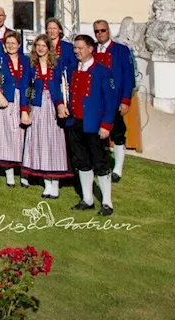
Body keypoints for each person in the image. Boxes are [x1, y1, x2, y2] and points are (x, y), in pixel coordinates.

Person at [63, 34, 118, 216]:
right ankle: (87, 199)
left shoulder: (102, 71)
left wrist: (106, 125)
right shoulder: (71, 69)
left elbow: (110, 101)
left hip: (94, 124)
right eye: (75, 48)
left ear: (90, 49)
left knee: (99, 162)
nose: (77, 51)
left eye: (80, 48)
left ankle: (107, 202)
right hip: (75, 121)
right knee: (81, 161)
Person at [21, 35, 70, 197]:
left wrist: (61, 104)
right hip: (37, 106)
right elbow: (26, 88)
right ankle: (46, 182)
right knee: (40, 141)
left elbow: (63, 86)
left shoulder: (58, 65)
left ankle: (54, 182)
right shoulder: (31, 66)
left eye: (44, 45)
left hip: (54, 106)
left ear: (49, 47)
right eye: (38, 45)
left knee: (54, 142)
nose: (41, 48)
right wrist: (24, 109)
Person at [93, 19, 136, 182]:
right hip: (97, 101)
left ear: (108, 31)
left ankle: (117, 168)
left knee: (117, 133)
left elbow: (128, 76)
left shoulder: (121, 50)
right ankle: (100, 164)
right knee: (97, 134)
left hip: (115, 100)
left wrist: (125, 100)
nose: (100, 34)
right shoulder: (93, 50)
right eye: (97, 31)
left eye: (102, 30)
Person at [0, 32, 31, 187]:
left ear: (19, 45)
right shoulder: (0, 60)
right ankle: (9, 174)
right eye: (8, 43)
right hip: (5, 100)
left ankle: (24, 173)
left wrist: (26, 105)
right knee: (6, 136)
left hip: (21, 99)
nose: (11, 46)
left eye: (14, 43)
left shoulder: (26, 61)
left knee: (22, 137)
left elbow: (29, 82)